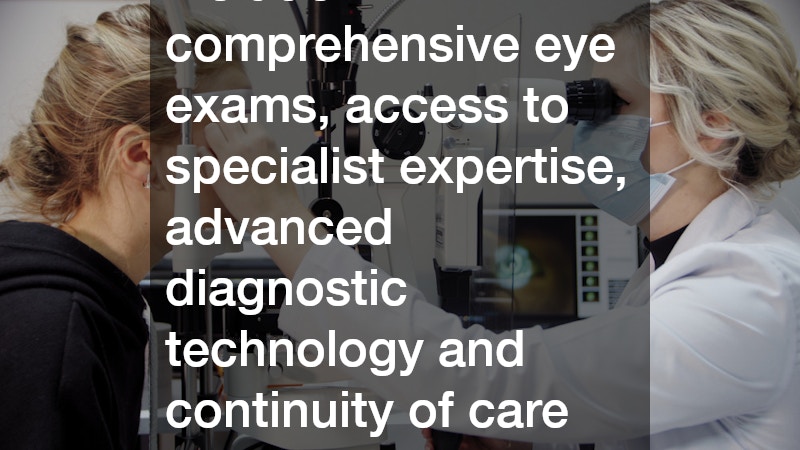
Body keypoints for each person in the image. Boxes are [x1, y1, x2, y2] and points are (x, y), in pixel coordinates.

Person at [202, 0, 800, 448]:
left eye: (611, 103)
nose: (585, 127)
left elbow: (494, 379)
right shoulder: (678, 265)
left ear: (712, 126)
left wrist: (278, 216)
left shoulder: (747, 298)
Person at [0, 5, 248, 448]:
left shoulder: (98, 307)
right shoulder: (51, 333)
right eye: (232, 133)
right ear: (142, 157)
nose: (258, 158)